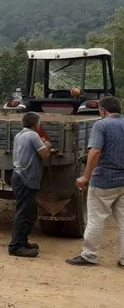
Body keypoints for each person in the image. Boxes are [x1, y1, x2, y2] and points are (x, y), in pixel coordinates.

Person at [67, 96, 124, 267]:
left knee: (96, 218)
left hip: (104, 180)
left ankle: (89, 255)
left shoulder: (101, 125)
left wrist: (85, 176)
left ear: (103, 110)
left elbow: (95, 152)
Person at [8, 111, 52, 257]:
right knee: (23, 213)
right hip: (25, 178)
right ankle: (15, 246)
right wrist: (48, 144)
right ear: (36, 124)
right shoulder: (33, 135)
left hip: (19, 176)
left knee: (29, 212)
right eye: (39, 123)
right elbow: (44, 154)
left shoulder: (19, 135)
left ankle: (22, 241)